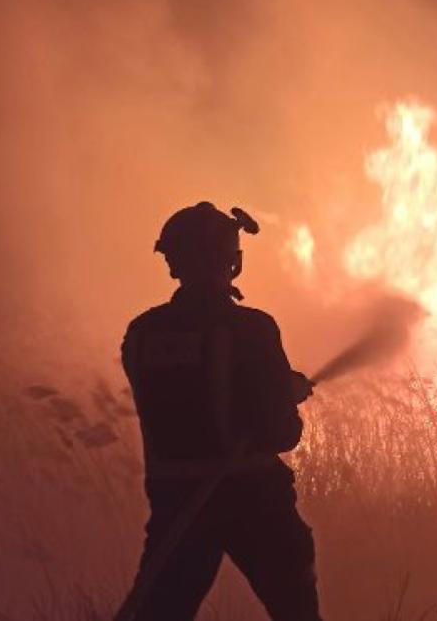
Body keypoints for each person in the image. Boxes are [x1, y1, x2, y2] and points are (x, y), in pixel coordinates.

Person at [118, 202, 321, 620]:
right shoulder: (253, 329)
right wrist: (283, 393)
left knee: (159, 612)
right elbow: (281, 432)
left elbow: (179, 402)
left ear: (173, 262)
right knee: (296, 610)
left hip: (176, 506)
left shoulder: (141, 333)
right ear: (232, 260)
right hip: (256, 503)